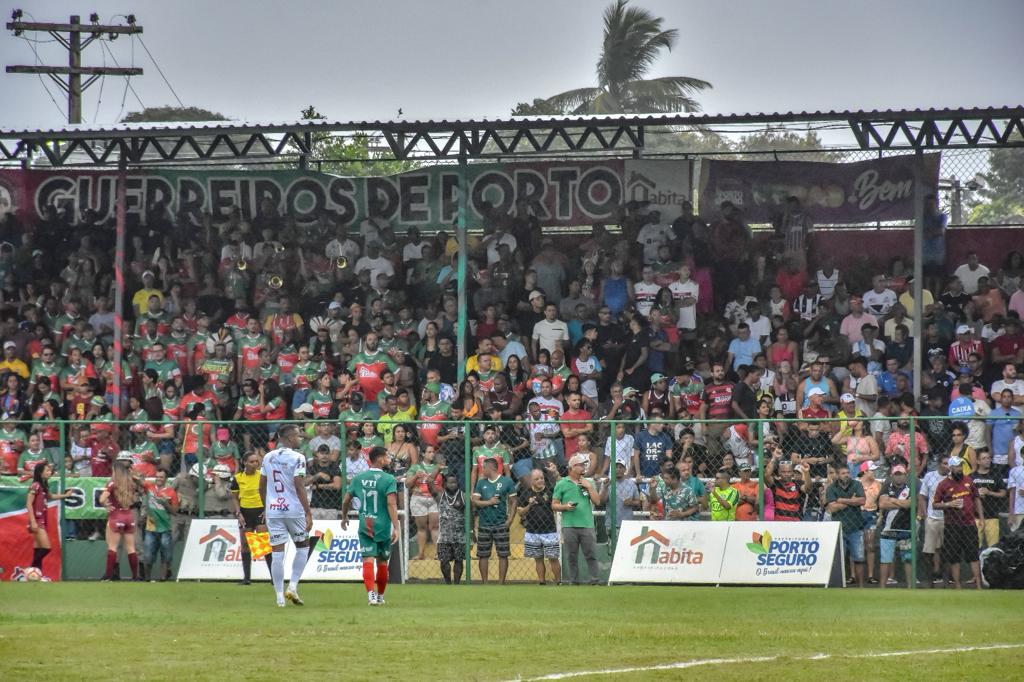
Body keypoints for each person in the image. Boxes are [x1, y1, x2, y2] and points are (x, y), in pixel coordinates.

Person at [259, 424, 313, 607]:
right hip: (293, 509)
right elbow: (299, 486)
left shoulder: (267, 457)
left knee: (277, 553)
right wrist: (307, 512)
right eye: (298, 435)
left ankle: (279, 597)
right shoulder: (298, 457)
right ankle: (293, 586)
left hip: (273, 509)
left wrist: (266, 507)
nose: (300, 438)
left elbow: (261, 486)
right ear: (290, 438)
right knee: (303, 547)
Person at [342, 446, 399, 605]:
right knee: (382, 562)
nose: (388, 459)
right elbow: (391, 504)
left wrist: (345, 516)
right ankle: (380, 596)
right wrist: (396, 527)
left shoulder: (359, 478)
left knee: (367, 560)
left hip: (365, 525)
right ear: (380, 459)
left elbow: (346, 500)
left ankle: (370, 595)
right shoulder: (389, 479)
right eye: (387, 457)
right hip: (383, 526)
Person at [932, 455, 982, 589]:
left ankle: (978, 585)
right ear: (950, 468)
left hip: (969, 523)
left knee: (973, 555)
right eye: (956, 466)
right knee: (954, 556)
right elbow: (935, 505)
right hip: (952, 525)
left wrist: (981, 518)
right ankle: (958, 586)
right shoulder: (943, 485)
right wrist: (949, 504)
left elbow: (976, 498)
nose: (959, 469)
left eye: (960, 466)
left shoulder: (968, 481)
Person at [552, 454, 601, 585]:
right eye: (581, 465)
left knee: (591, 555)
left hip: (587, 524)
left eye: (584, 464)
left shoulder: (588, 482)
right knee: (571, 556)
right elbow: (554, 505)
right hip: (569, 525)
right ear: (572, 467)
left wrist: (589, 487)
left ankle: (594, 581)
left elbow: (597, 501)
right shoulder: (562, 483)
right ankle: (574, 581)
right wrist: (565, 507)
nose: (584, 467)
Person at [229, 451, 272, 586]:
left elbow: (270, 493)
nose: (255, 464)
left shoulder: (262, 476)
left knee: (263, 544)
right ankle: (247, 578)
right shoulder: (238, 478)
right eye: (252, 462)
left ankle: (273, 577)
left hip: (260, 511)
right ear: (245, 463)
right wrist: (238, 513)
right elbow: (235, 498)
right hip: (245, 512)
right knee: (246, 545)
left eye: (256, 461)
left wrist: (267, 509)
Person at [512, 468, 560, 585]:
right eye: (537, 479)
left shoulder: (550, 491)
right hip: (532, 531)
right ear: (531, 481)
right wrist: (529, 505)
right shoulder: (526, 493)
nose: (540, 481)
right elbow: (520, 512)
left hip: (549, 530)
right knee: (538, 559)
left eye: (542, 478)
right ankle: (541, 581)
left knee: (553, 558)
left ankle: (559, 581)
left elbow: (556, 505)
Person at [471, 457, 515, 585]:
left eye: (484, 467)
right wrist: (488, 502)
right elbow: (474, 501)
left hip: (501, 522)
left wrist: (510, 519)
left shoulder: (507, 482)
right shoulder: (481, 483)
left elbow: (514, 501)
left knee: (503, 554)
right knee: (483, 554)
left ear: (491, 468)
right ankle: (485, 583)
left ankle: (501, 583)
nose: (482, 470)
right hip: (484, 523)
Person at [25, 461, 72, 578]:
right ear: (40, 473)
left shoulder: (43, 486)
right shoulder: (35, 485)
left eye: (50, 470)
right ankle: (30, 569)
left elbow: (50, 496)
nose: (49, 472)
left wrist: (65, 496)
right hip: (37, 520)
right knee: (46, 548)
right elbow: (29, 503)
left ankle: (36, 576)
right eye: (47, 470)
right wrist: (33, 521)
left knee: (38, 548)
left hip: (41, 520)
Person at [100, 453, 142, 581]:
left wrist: (106, 505)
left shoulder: (113, 483)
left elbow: (102, 499)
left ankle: (107, 576)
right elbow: (141, 489)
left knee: (113, 547)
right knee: (131, 548)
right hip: (129, 515)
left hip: (116, 515)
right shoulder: (131, 483)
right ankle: (135, 576)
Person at [878, 463, 912, 588]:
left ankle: (910, 586)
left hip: (906, 527)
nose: (898, 477)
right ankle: (882, 587)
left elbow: (911, 504)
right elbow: (882, 504)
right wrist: (902, 503)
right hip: (888, 528)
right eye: (896, 475)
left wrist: (892, 500)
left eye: (901, 475)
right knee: (885, 559)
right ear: (892, 476)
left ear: (905, 475)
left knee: (908, 558)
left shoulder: (911, 488)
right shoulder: (886, 487)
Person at [142, 468, 179, 582]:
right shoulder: (149, 487)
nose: (158, 479)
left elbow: (174, 511)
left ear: (166, 479)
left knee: (166, 554)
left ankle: (163, 578)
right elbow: (138, 481)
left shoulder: (171, 492)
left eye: (161, 477)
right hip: (151, 527)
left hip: (165, 528)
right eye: (157, 476)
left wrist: (165, 503)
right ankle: (147, 578)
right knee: (148, 554)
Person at [430, 472, 466, 584]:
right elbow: (430, 482)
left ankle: (456, 583)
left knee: (459, 560)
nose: (452, 485)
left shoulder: (463, 496)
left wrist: (471, 531)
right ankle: (448, 583)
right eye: (450, 482)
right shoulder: (440, 496)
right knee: (444, 561)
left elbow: (469, 514)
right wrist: (437, 470)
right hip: (444, 536)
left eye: (454, 482)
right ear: (445, 483)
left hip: (459, 535)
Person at [971, 451, 1006, 549]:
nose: (987, 460)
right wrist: (976, 494)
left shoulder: (996, 475)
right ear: (978, 461)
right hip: (976, 517)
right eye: (984, 458)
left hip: (992, 516)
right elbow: (966, 495)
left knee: (993, 548)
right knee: (976, 547)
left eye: (989, 458)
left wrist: (989, 493)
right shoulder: (972, 476)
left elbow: (1003, 493)